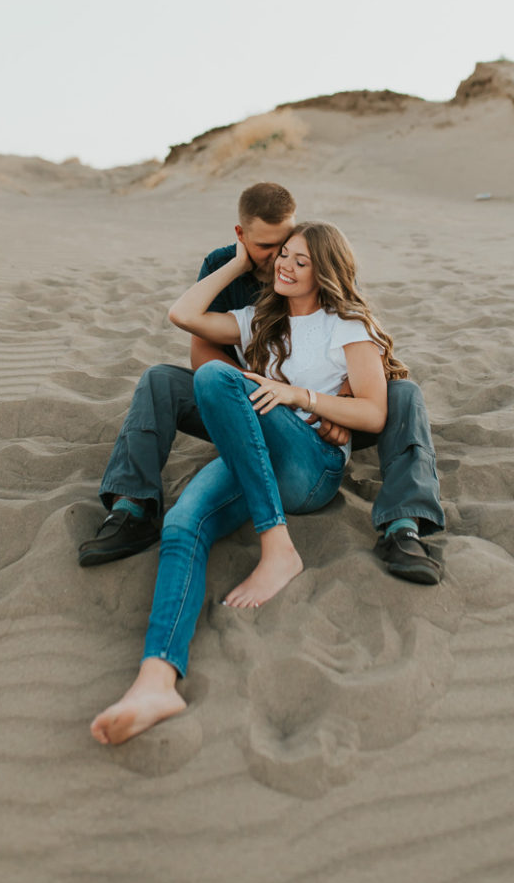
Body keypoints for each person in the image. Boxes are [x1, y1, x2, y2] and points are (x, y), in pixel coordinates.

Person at [91, 221, 412, 744]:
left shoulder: (348, 325)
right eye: (283, 254)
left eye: (300, 260)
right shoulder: (258, 319)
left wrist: (299, 397)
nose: (284, 264)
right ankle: (156, 682)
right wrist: (240, 262)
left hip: (313, 465)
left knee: (216, 377)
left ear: (325, 271)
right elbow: (183, 316)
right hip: (257, 463)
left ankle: (277, 545)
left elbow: (374, 412)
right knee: (181, 525)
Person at [78, 182, 444, 582]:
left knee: (404, 393)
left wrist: (329, 397)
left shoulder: (316, 273)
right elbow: (198, 347)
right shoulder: (233, 280)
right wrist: (250, 396)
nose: (279, 259)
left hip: (313, 430)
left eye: (287, 245)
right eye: (270, 249)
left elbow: (355, 351)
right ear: (240, 237)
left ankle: (403, 526)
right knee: (158, 380)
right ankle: (132, 507)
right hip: (250, 406)